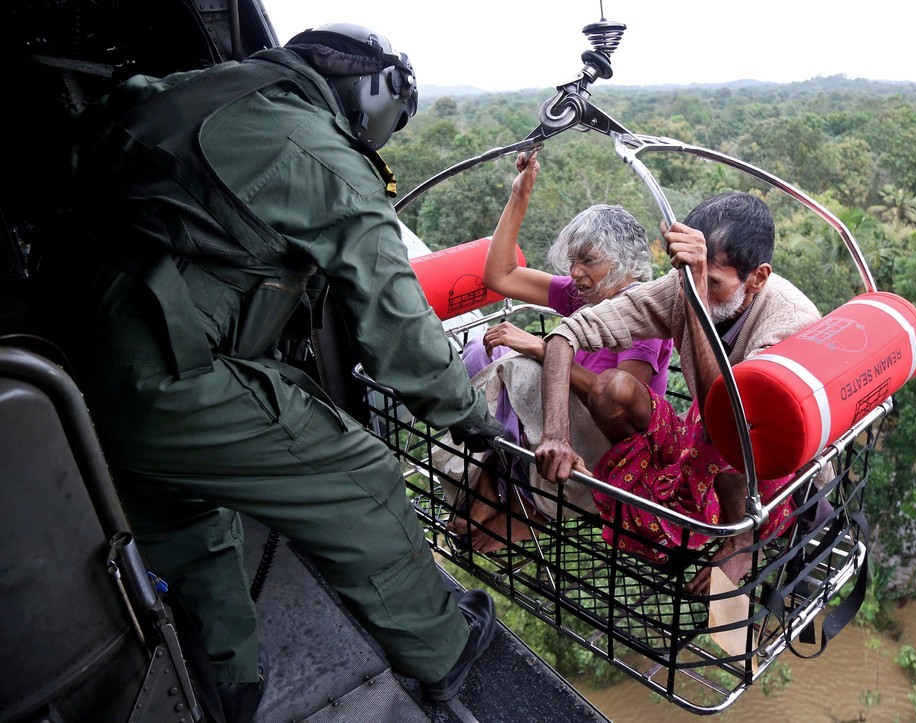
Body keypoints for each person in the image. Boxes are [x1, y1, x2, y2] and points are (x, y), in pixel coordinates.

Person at [36, 22, 501, 720]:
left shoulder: (190, 91)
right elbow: (400, 333)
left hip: (70, 365)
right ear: (376, 94)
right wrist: (468, 415)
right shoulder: (320, 153)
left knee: (192, 523)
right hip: (164, 373)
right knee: (360, 479)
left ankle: (226, 685)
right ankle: (444, 649)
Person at [534, 192, 821, 594]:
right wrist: (556, 435)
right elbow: (567, 333)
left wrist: (697, 300)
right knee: (610, 388)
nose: (693, 287)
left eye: (714, 283)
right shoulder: (684, 284)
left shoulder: (790, 322)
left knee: (735, 439)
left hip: (761, 456)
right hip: (704, 432)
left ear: (756, 278)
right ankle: (650, 490)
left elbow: (732, 420)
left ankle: (742, 539)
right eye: (688, 277)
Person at [442, 149, 673, 552]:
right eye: (572, 261)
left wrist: (539, 348)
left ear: (623, 261)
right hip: (555, 428)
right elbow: (499, 274)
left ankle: (511, 499)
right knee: (483, 346)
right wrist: (520, 196)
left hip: (603, 445)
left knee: (520, 365)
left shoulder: (643, 314)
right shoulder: (583, 297)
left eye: (588, 261)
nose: (575, 272)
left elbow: (614, 400)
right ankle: (499, 484)